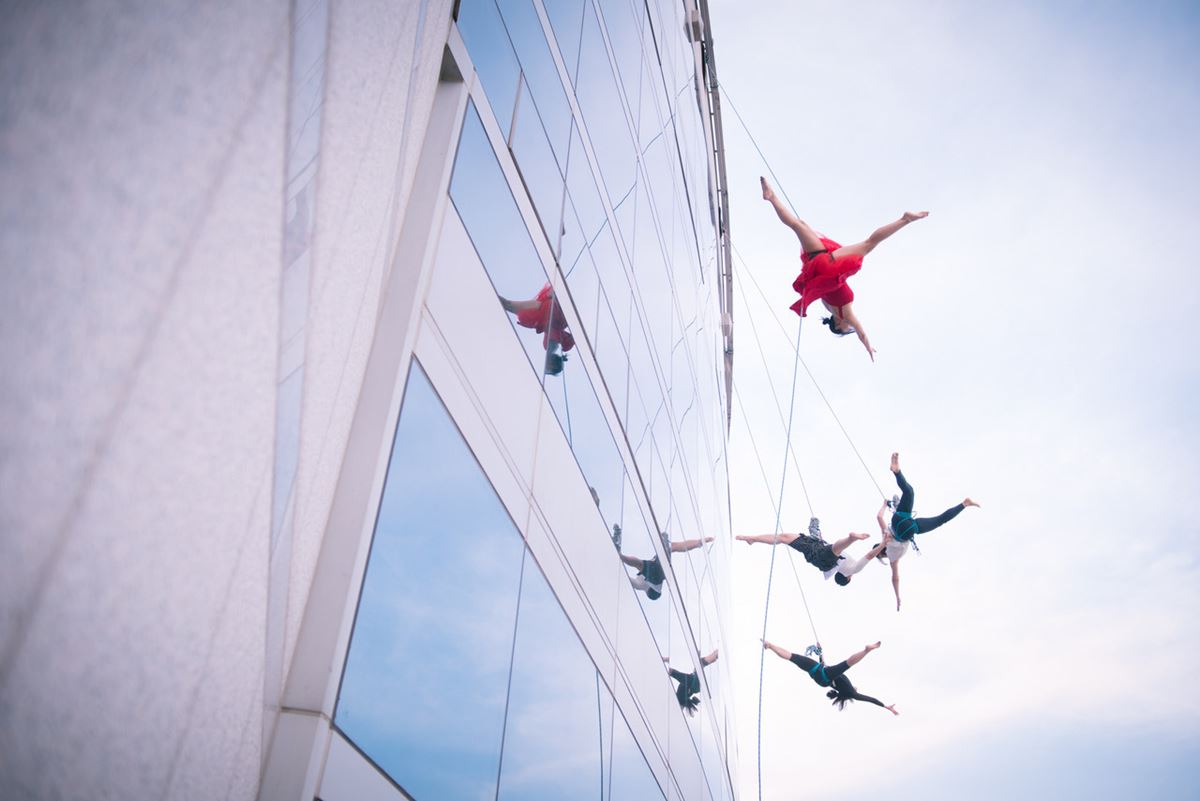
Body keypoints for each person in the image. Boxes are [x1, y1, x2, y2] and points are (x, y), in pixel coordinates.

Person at [760, 176, 928, 361]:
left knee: (869, 243)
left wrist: (868, 347)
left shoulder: (846, 316)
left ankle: (905, 220)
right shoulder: (828, 306)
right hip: (818, 261)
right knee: (798, 225)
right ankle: (771, 197)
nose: (850, 327)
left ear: (839, 325)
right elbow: (820, 289)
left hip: (831, 265)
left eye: (846, 330)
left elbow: (861, 334)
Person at [762, 639, 898, 715]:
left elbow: (870, 699)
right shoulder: (842, 687)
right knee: (793, 657)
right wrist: (821, 653)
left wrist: (884, 706)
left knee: (846, 664)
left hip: (825, 676)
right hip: (820, 676)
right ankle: (771, 646)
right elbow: (823, 666)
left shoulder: (852, 693)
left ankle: (866, 650)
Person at [736, 519, 885, 586]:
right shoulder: (847, 567)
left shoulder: (853, 570)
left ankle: (851, 539)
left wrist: (884, 543)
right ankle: (752, 539)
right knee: (783, 537)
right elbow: (825, 543)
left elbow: (870, 555)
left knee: (835, 549)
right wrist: (817, 534)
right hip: (816, 550)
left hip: (824, 560)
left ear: (847, 579)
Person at [616, 526, 713, 600]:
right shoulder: (648, 575)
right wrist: (699, 542)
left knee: (641, 565)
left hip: (655, 582)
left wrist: (699, 542)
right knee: (641, 565)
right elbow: (682, 546)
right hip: (654, 580)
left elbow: (683, 546)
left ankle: (620, 555)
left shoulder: (654, 565)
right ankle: (620, 555)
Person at [499, 283, 575, 375]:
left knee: (508, 305)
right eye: (550, 366)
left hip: (546, 311)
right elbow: (556, 341)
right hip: (542, 313)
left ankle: (489, 295)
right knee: (508, 305)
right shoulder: (554, 344)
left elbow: (564, 338)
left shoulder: (558, 342)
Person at [665, 649, 719, 715]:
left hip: (695, 687)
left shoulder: (682, 698)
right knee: (700, 664)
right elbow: (676, 674)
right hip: (693, 685)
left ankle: (715, 656)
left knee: (701, 664)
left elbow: (681, 708)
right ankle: (716, 654)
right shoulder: (682, 691)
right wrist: (666, 661)